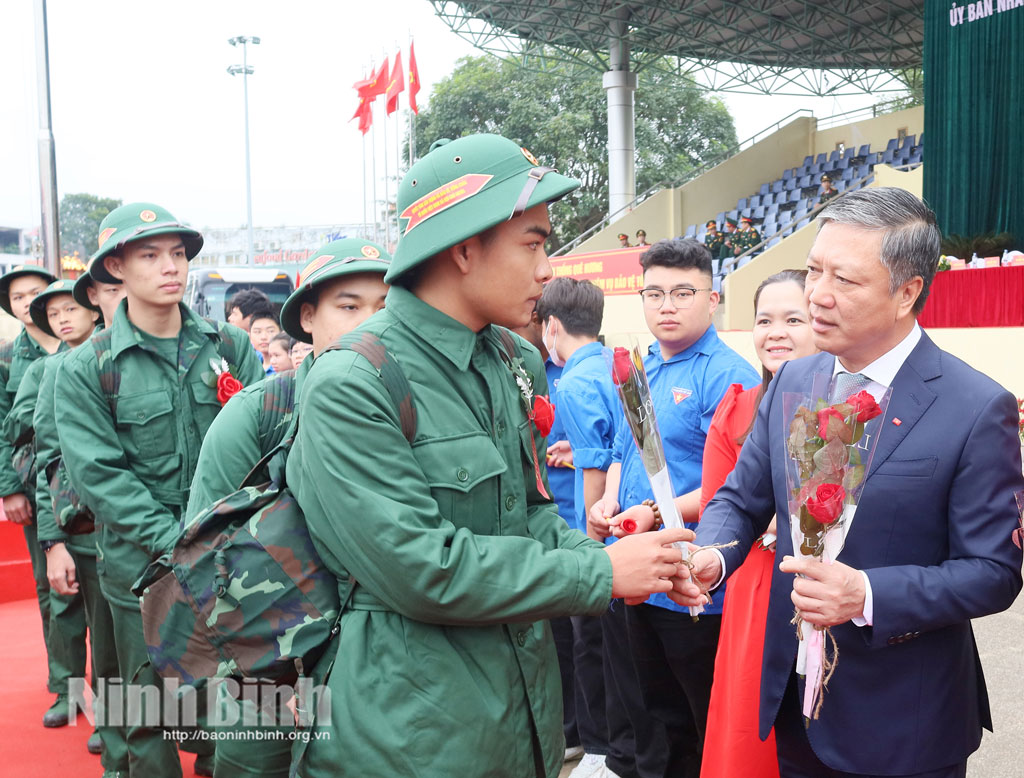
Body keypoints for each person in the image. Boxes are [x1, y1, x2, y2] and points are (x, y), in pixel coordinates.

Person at [285, 133, 693, 778]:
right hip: (411, 727)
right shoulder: (352, 383)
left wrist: (636, 561)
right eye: (533, 243)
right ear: (464, 248)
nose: (548, 269)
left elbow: (527, 513)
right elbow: (421, 568)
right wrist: (599, 572)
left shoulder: (510, 358)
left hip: (516, 707)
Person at [675, 188, 1024, 777]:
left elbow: (993, 573)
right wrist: (712, 552)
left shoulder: (974, 407)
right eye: (814, 270)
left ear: (907, 292)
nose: (817, 294)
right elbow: (741, 497)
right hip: (794, 706)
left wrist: (866, 594)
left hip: (904, 721)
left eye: (845, 279)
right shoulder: (791, 383)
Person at [55, 202, 264, 778]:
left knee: (239, 699)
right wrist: (179, 544)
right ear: (115, 267)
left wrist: (228, 537)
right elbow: (99, 476)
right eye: (149, 255)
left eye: (177, 254)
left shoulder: (229, 347)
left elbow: (266, 443)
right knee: (146, 711)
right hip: (143, 569)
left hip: (230, 562)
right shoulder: (90, 367)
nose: (170, 267)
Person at [185, 240, 391, 778]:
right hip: (270, 673)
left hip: (383, 670)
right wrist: (275, 678)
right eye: (349, 306)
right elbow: (207, 557)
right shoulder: (258, 414)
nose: (372, 324)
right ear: (307, 317)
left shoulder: (417, 412)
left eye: (385, 306)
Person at [589, 238, 759, 778]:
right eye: (655, 293)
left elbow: (734, 484)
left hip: (695, 581)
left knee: (698, 723)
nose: (667, 305)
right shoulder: (643, 368)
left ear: (712, 299)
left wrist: (654, 511)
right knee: (650, 717)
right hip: (638, 570)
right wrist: (609, 499)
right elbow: (623, 448)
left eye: (683, 293)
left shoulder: (729, 375)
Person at [699, 270, 814, 778]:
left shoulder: (851, 407)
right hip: (756, 588)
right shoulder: (738, 409)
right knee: (751, 733)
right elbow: (722, 505)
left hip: (823, 586)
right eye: (764, 320)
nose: (776, 333)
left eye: (794, 319)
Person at [26, 273, 130, 771]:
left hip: (169, 533)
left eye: (69, 308)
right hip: (93, 534)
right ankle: (110, 727)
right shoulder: (60, 369)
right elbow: (50, 459)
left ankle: (194, 733)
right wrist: (53, 542)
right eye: (54, 313)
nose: (63, 318)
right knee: (104, 641)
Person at [537, 278, 625, 778]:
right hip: (625, 523)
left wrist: (591, 548)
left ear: (551, 327)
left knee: (589, 645)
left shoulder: (572, 382)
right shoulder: (612, 365)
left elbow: (595, 467)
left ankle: (597, 747)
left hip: (594, 532)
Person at [511, 309, 583, 767]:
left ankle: (578, 732)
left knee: (576, 644)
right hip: (539, 533)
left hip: (571, 525)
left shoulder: (566, 375)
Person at [0, 264, 70, 725]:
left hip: (87, 482)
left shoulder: (84, 340)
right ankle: (65, 684)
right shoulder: (8, 357)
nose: (27, 302)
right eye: (18, 296)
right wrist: (10, 489)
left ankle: (118, 687)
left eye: (35, 293)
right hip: (35, 486)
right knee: (51, 587)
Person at [248, 307, 281, 373]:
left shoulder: (285, 366)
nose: (263, 337)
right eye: (257, 332)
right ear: (250, 336)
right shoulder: (249, 364)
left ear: (281, 333)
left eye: (270, 331)